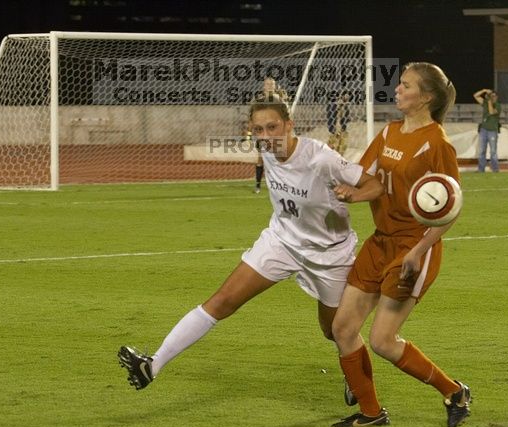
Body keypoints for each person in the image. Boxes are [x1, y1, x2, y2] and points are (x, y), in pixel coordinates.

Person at [118, 93, 384, 394]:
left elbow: (374, 184)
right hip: (281, 242)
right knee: (221, 301)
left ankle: (356, 379)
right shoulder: (266, 153)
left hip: (329, 254)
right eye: (259, 130)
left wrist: (353, 195)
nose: (266, 136)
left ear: (289, 125)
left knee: (335, 330)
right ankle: (152, 365)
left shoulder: (320, 157)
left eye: (272, 128)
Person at [329, 62, 472, 427]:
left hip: (413, 247)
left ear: (425, 97)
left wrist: (418, 250)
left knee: (382, 340)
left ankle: (455, 391)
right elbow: (371, 179)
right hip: (380, 241)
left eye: (405, 85)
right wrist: (352, 192)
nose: (397, 89)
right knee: (343, 328)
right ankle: (372, 412)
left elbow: (451, 208)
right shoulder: (390, 132)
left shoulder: (437, 143)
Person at [252, 77, 289, 193]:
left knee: (280, 156)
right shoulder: (259, 99)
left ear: (275, 86)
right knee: (261, 158)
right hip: (263, 131)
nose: (270, 86)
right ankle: (258, 185)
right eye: (268, 84)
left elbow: (286, 112)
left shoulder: (279, 99)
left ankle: (282, 183)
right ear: (264, 86)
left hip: (276, 131)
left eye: (272, 84)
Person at [473, 88, 501, 173]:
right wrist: (484, 91)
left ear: (496, 97)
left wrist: (488, 100)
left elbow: (491, 111)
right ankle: (481, 169)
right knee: (481, 151)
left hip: (492, 130)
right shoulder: (485, 103)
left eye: (494, 96)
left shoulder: (498, 106)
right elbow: (475, 96)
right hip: (484, 129)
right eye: (491, 96)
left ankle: (495, 169)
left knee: (493, 151)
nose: (492, 98)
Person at [326, 89, 351, 155]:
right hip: (335, 129)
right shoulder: (333, 106)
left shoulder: (345, 106)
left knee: (342, 146)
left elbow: (346, 118)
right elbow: (330, 117)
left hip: (342, 129)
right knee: (333, 145)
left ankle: (340, 156)